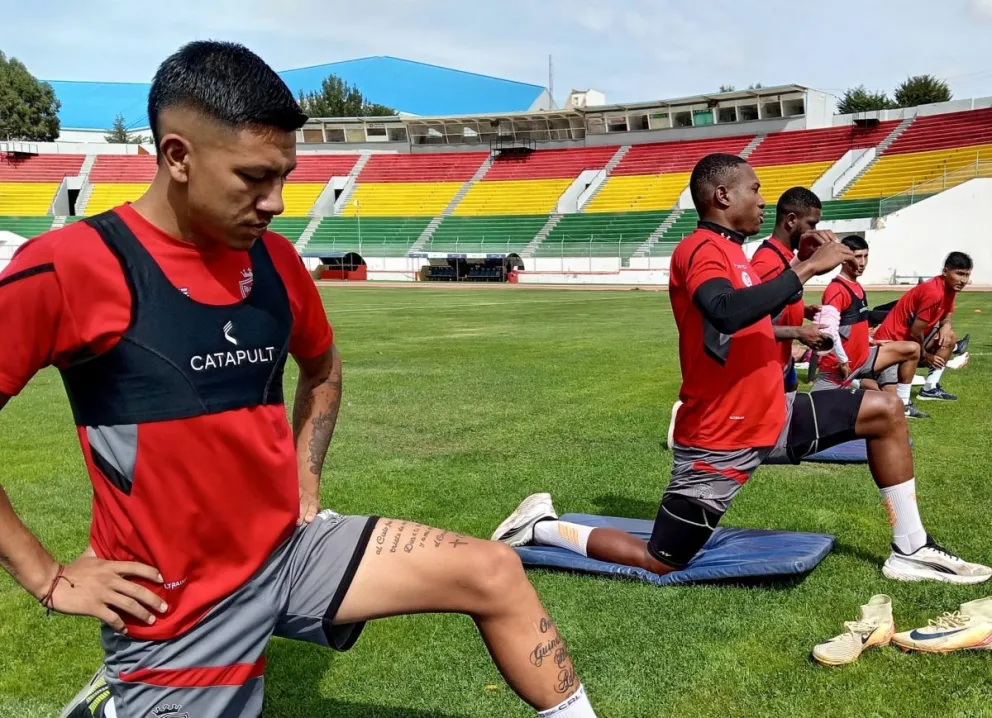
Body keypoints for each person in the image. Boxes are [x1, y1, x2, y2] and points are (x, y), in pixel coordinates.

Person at [0, 42, 597, 718]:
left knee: (494, 570)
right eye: (254, 177)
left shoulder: (277, 263)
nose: (277, 202)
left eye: (285, 175)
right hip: (176, 602)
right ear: (177, 156)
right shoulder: (74, 266)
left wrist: (303, 478)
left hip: (288, 552)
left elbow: (323, 368)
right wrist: (46, 577)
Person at [493, 153, 990, 587]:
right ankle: (540, 527)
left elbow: (747, 323)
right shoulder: (701, 249)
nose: (761, 201)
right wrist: (808, 270)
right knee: (662, 559)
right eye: (755, 191)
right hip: (722, 433)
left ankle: (911, 548)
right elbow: (725, 311)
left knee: (884, 410)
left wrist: (802, 268)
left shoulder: (735, 253)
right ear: (722, 194)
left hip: (769, 413)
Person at [811, 235, 929, 419]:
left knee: (912, 349)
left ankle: (904, 404)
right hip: (840, 368)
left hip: (863, 357)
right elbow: (828, 330)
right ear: (843, 258)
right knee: (813, 415)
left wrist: (870, 339)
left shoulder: (857, 287)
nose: (863, 262)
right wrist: (842, 360)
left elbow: (852, 325)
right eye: (857, 256)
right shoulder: (836, 289)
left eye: (866, 256)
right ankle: (858, 386)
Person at [749, 187, 830, 392]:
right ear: (792, 220)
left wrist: (803, 311)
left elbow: (773, 303)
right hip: (766, 368)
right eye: (811, 224)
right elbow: (749, 325)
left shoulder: (784, 256)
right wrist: (799, 332)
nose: (813, 230)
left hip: (782, 361)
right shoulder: (767, 263)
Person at [873, 252, 973, 402]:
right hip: (890, 343)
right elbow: (915, 331)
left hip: (911, 340)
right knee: (887, 397)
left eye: (966, 275)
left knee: (950, 336)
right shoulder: (933, 292)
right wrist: (926, 355)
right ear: (945, 272)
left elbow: (948, 313)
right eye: (959, 274)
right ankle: (904, 402)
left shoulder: (949, 288)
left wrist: (946, 325)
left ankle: (930, 389)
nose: (963, 280)